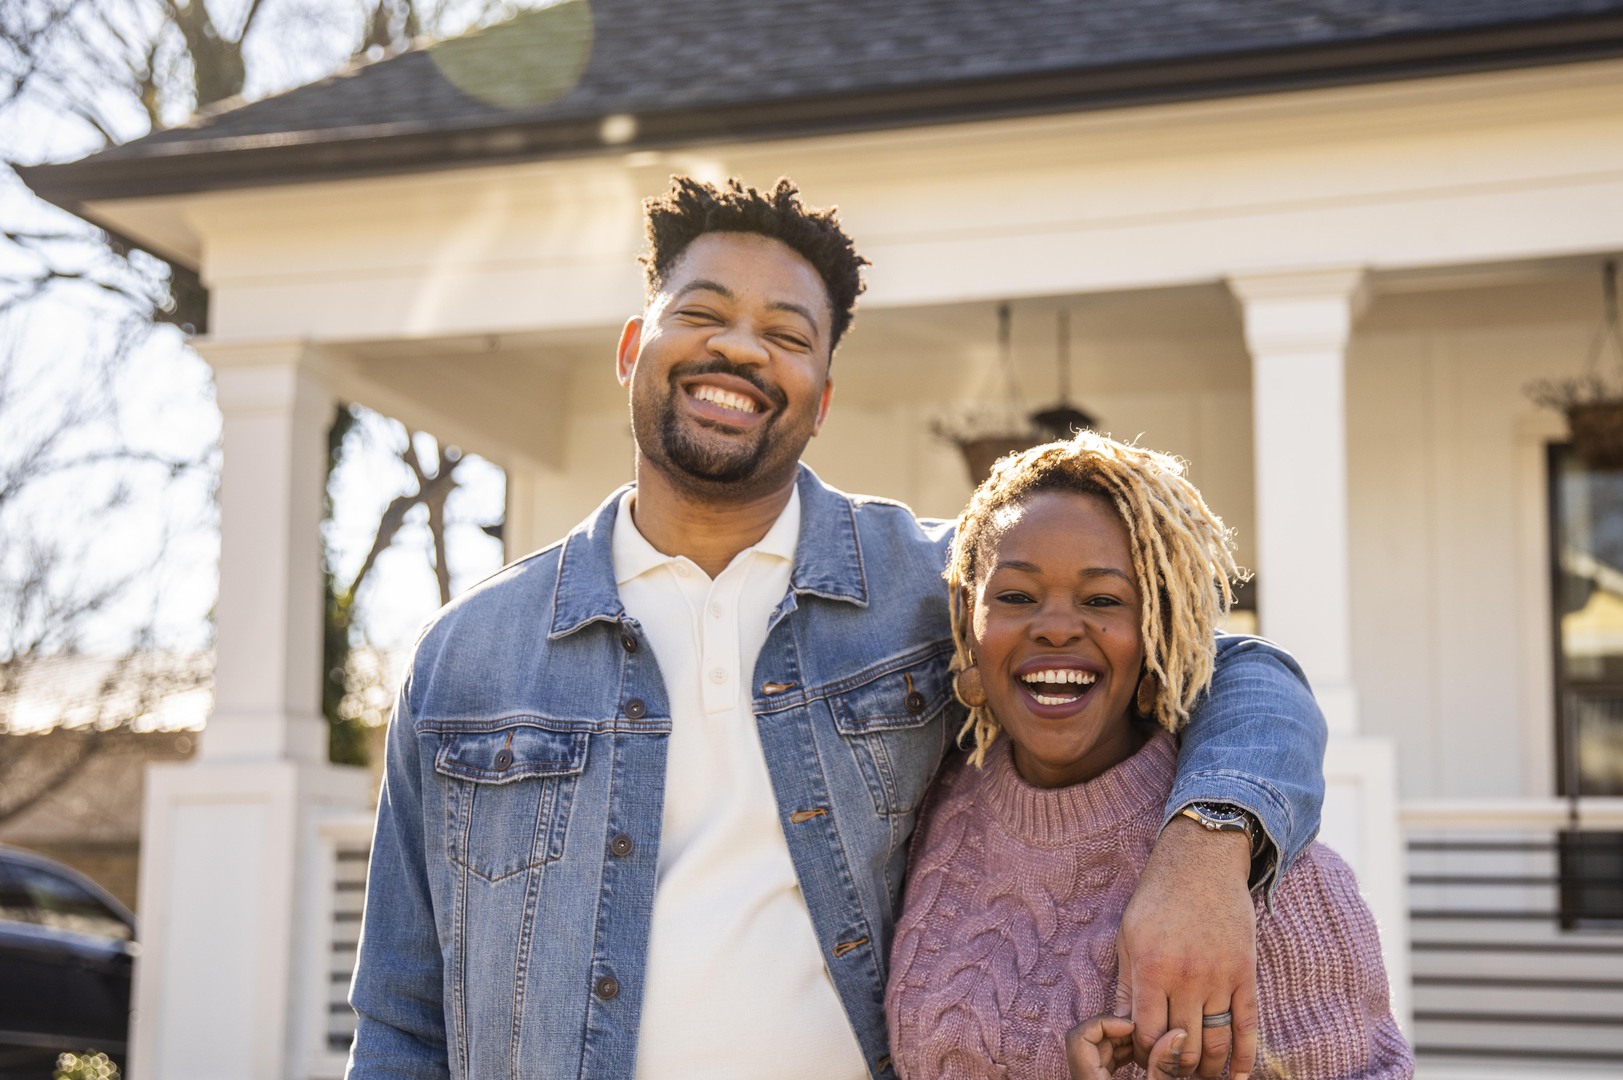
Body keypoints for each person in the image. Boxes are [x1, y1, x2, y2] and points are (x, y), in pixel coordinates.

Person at [346, 177, 1329, 1080]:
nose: (739, 347)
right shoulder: (469, 657)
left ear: (822, 399)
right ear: (631, 349)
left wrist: (1206, 855)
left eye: (787, 332)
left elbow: (1237, 669)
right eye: (701, 313)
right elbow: (402, 1019)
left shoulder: (934, 584)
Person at [886, 434, 1411, 1080]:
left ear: (1159, 626)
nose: (1054, 626)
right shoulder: (933, 802)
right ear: (969, 615)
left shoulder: (1259, 874)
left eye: (1103, 600)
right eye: (1016, 597)